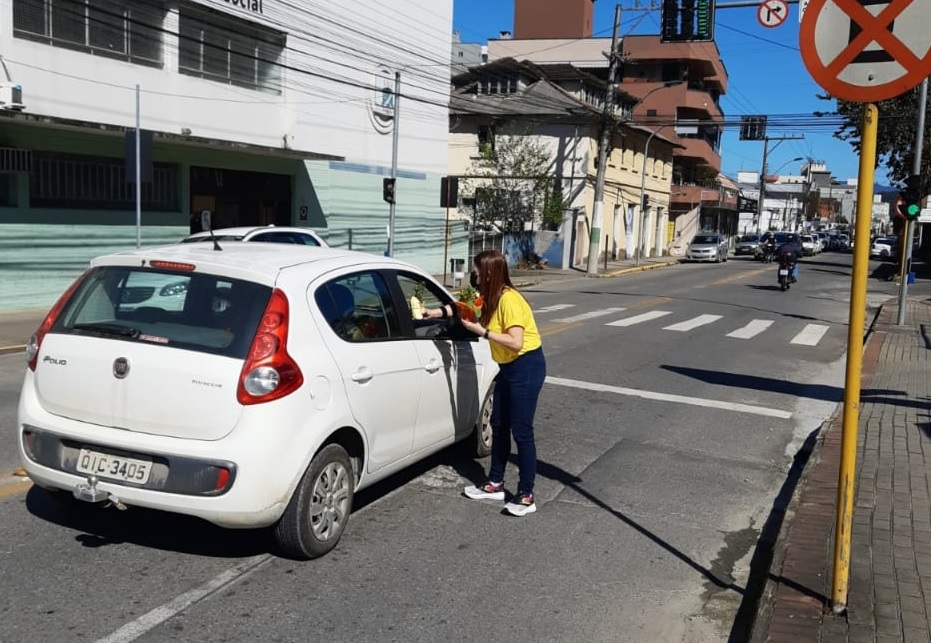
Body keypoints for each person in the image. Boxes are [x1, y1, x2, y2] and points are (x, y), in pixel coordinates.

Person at [424, 250, 546, 517]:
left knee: (521, 431)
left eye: (477, 271)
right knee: (499, 426)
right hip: (508, 367)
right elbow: (463, 308)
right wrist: (434, 312)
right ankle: (495, 484)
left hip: (526, 366)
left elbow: (515, 341)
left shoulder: (509, 300)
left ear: (489, 273)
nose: (474, 275)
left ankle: (526, 495)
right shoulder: (488, 297)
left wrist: (483, 332)